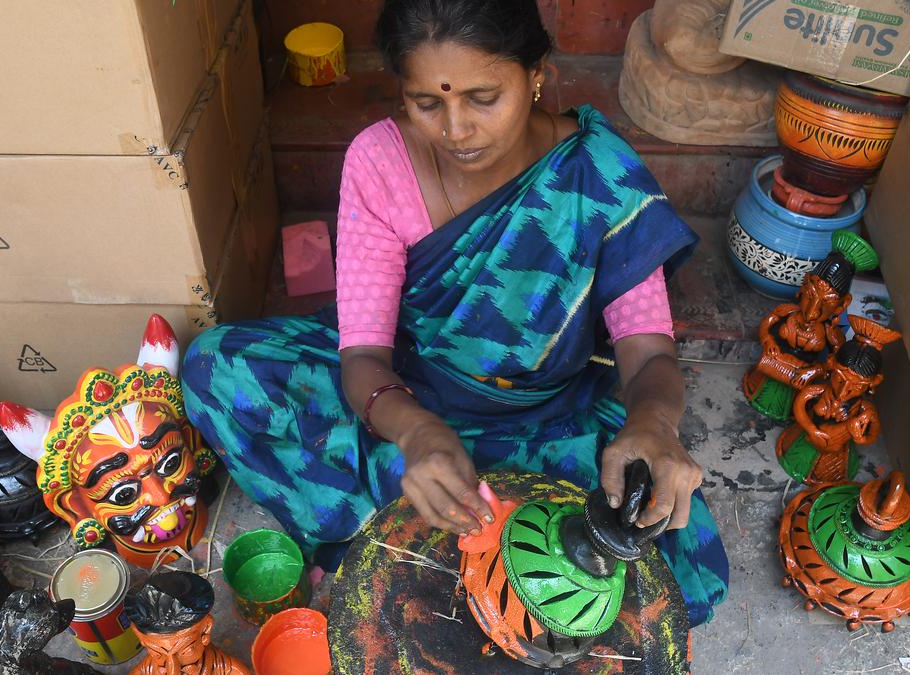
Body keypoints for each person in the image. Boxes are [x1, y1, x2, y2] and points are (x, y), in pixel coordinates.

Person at [182, 0, 728, 626]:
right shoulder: (381, 160)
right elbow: (363, 356)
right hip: (409, 389)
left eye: (484, 96)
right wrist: (416, 432)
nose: (457, 129)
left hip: (550, 412)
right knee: (213, 367)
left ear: (537, 76)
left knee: (688, 584)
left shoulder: (597, 175)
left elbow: (649, 352)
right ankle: (396, 534)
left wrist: (654, 423)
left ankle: (418, 537)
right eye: (427, 102)